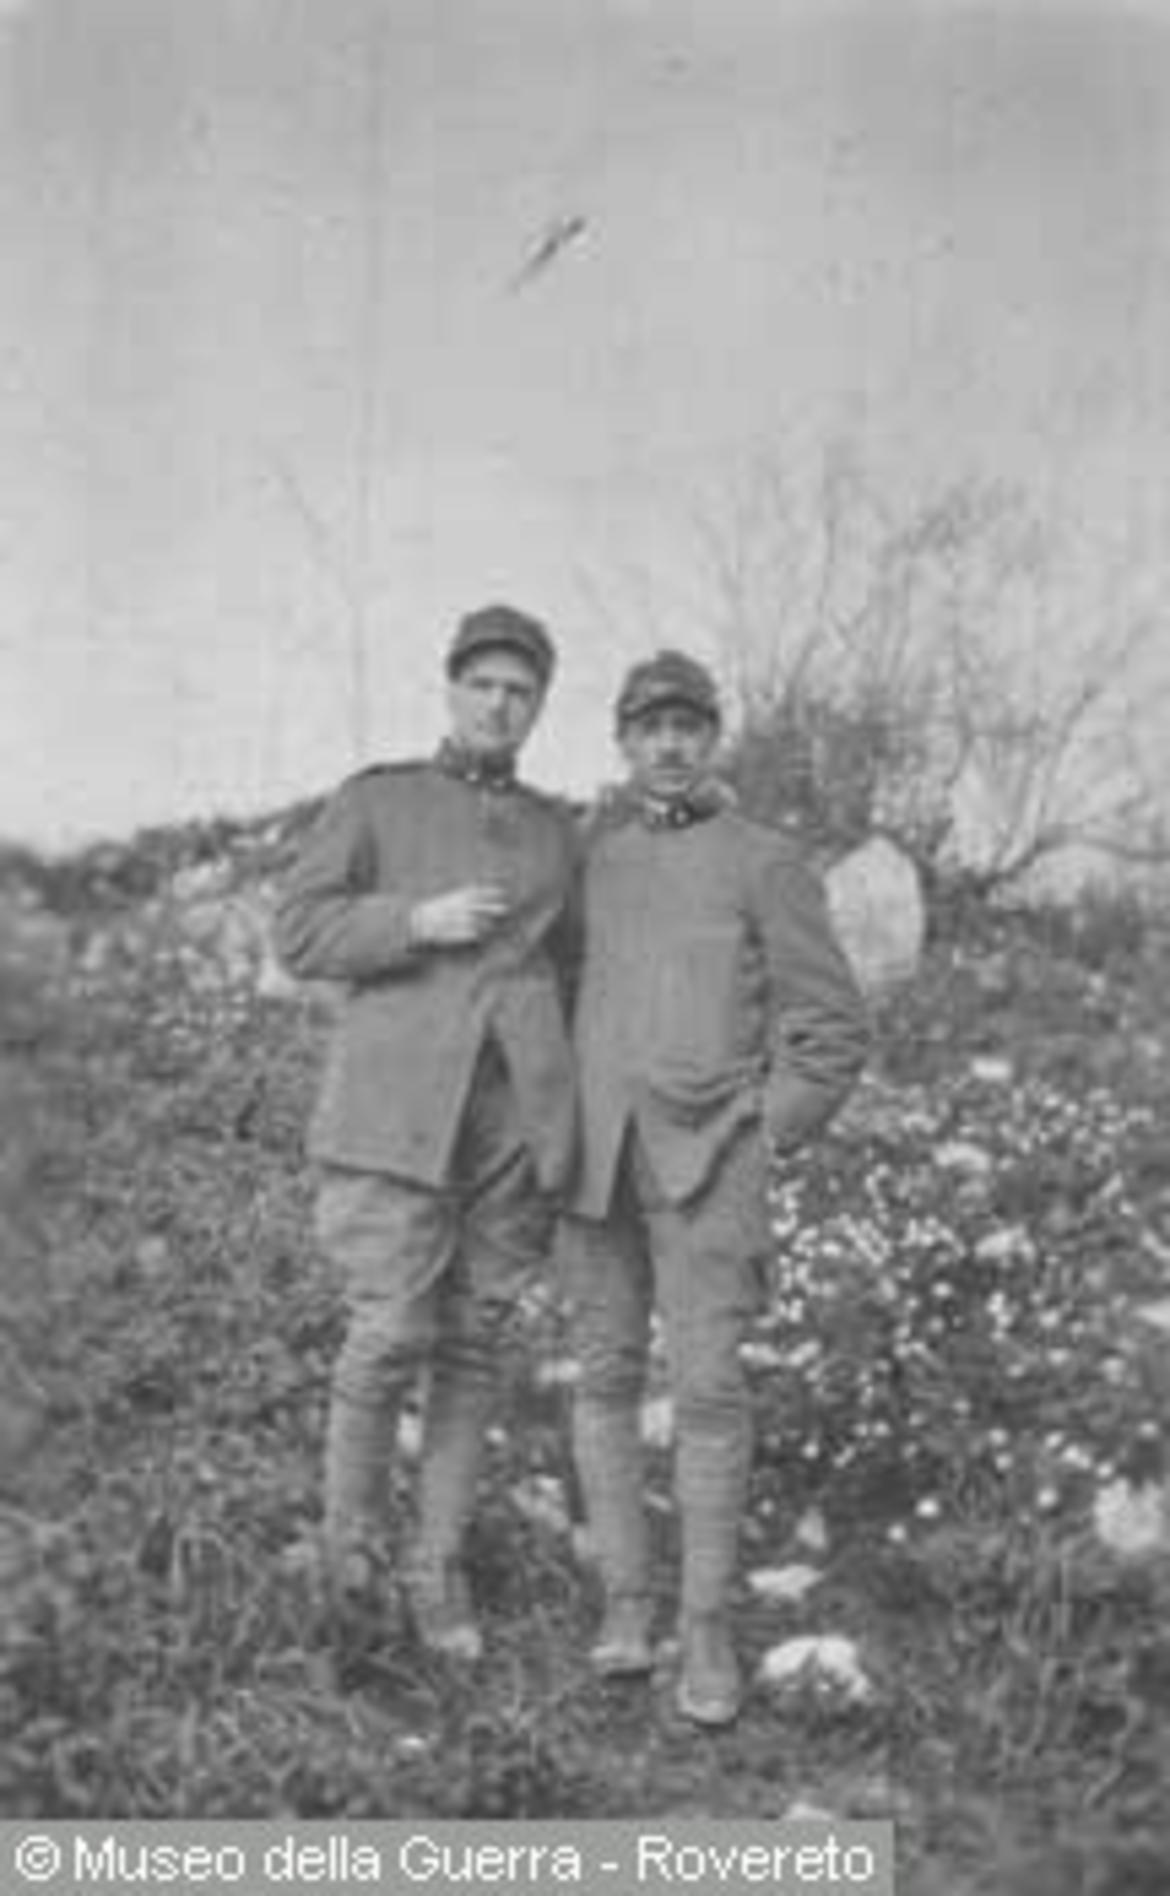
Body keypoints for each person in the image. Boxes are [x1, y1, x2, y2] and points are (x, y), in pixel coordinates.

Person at [562, 650, 868, 1726]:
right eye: (650, 727)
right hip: (597, 1168)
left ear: (712, 737)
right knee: (603, 1379)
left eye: (688, 725)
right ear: (624, 741)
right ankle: (626, 1604)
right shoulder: (595, 861)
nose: (670, 745)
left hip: (710, 1168)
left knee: (707, 1394)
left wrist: (765, 1133)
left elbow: (830, 1026)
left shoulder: (765, 860)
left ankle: (703, 1628)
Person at [274, 604, 578, 1660]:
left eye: (519, 692)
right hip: (396, 1112)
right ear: (451, 689)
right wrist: (414, 921)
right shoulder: (378, 800)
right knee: (388, 1334)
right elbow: (299, 931)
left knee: (474, 1341)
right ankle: (350, 1567)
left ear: (538, 707)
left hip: (511, 1123)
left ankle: (434, 1564)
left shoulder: (557, 833)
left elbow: (577, 965)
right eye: (482, 685)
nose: (499, 706)